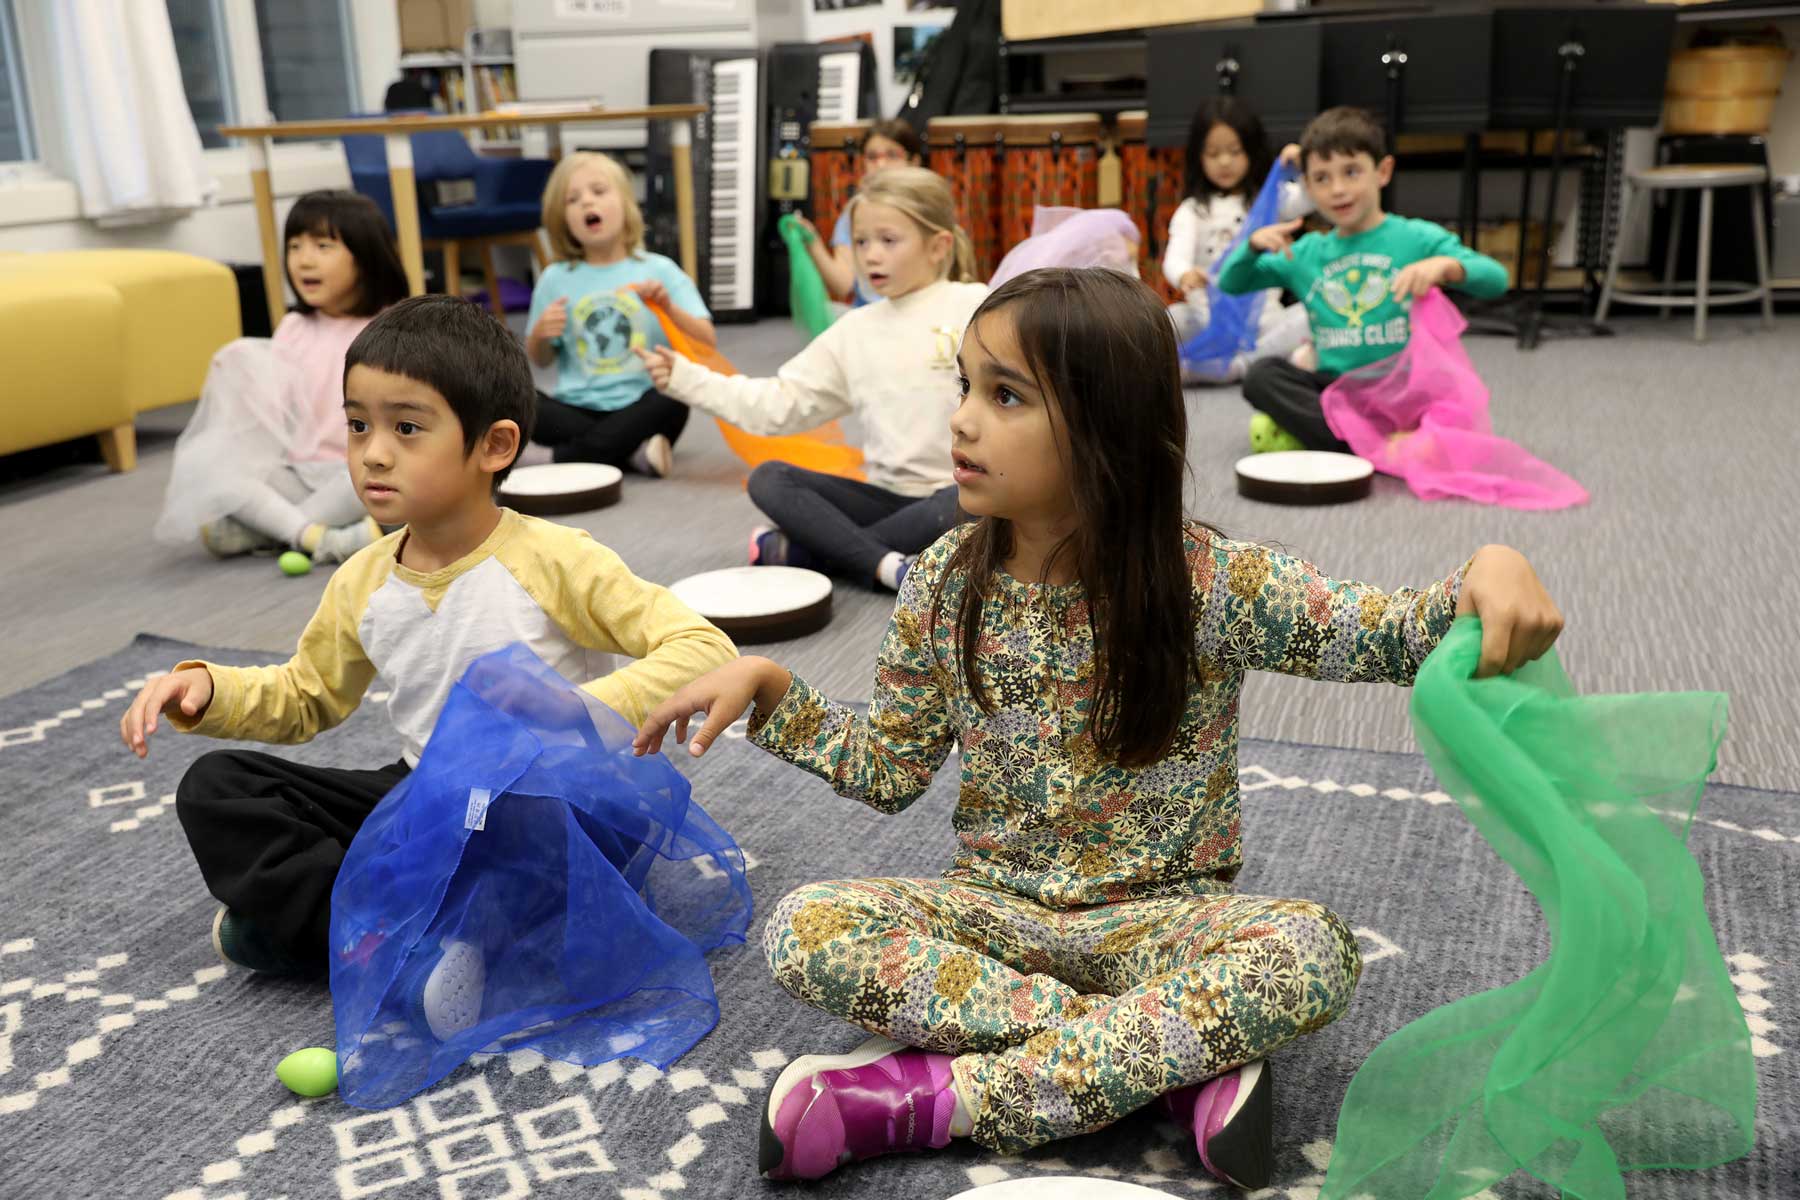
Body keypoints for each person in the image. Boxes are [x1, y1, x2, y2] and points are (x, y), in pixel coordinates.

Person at [633, 268, 1564, 1187]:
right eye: (964, 386)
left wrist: (1492, 562)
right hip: (995, 918)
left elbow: (1390, 633)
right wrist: (771, 692)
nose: (960, 420)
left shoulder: (1211, 581)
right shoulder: (939, 580)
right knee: (807, 926)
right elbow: (889, 767)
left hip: (1168, 925)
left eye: (1005, 396)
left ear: (1109, 426)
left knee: (1311, 952)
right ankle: (1167, 1063)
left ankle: (934, 1098)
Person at [121, 296, 737, 988]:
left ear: (495, 446)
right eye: (358, 425)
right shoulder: (362, 580)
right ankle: (395, 943)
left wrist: (576, 708)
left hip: (548, 802)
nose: (372, 453)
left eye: (407, 428)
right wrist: (210, 688)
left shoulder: (557, 558)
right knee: (218, 788)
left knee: (524, 843)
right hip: (427, 800)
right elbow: (306, 696)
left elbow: (703, 649)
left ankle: (361, 936)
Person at [637, 166, 985, 592]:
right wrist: (685, 378)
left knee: (972, 504)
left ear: (938, 247)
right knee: (770, 478)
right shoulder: (853, 330)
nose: (870, 255)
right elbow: (775, 406)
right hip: (883, 499)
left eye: (888, 241)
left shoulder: (975, 305)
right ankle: (887, 565)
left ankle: (816, 553)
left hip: (958, 493)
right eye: (861, 241)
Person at [1218, 106, 1509, 451]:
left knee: (1441, 398)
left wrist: (1445, 267)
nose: (1338, 189)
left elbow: (1496, 279)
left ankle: (1354, 440)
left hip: (1401, 389)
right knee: (1261, 377)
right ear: (1308, 188)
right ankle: (1371, 445)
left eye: (1351, 172)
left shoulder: (1415, 237)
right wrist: (1251, 247)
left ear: (1382, 172)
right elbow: (1231, 283)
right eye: (1322, 178)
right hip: (1337, 389)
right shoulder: (1306, 253)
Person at [154, 190, 410, 562]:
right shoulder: (293, 326)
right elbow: (277, 413)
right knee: (215, 469)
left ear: (367, 257)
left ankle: (270, 531)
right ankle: (320, 538)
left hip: (355, 469)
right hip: (295, 471)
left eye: (323, 247)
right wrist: (245, 376)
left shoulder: (389, 328)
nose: (305, 261)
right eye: (294, 247)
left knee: (387, 482)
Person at [521, 152, 716, 477]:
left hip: (639, 404)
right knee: (521, 399)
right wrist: (540, 335)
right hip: (575, 406)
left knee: (673, 397)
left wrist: (669, 308)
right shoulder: (554, 278)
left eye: (598, 191)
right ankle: (633, 451)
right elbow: (540, 360)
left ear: (626, 204)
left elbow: (707, 342)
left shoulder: (659, 270)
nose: (587, 203)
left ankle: (555, 460)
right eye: (573, 199)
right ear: (562, 217)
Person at [1161, 97, 1312, 382]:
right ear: (1198, 157)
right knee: (1172, 319)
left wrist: (1304, 163)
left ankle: (1237, 365)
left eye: (1235, 151)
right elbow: (1175, 257)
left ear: (1252, 152)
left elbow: (1310, 197)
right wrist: (1184, 274)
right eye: (1213, 153)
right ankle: (1269, 362)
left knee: (1311, 313)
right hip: (1208, 320)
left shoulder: (1271, 200)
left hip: (1264, 320)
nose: (1225, 162)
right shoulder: (1193, 210)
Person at [792, 117, 926, 307]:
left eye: (892, 155)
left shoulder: (928, 209)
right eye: (872, 157)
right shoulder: (855, 212)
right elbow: (843, 285)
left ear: (914, 161)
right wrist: (813, 242)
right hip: (869, 317)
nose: (881, 165)